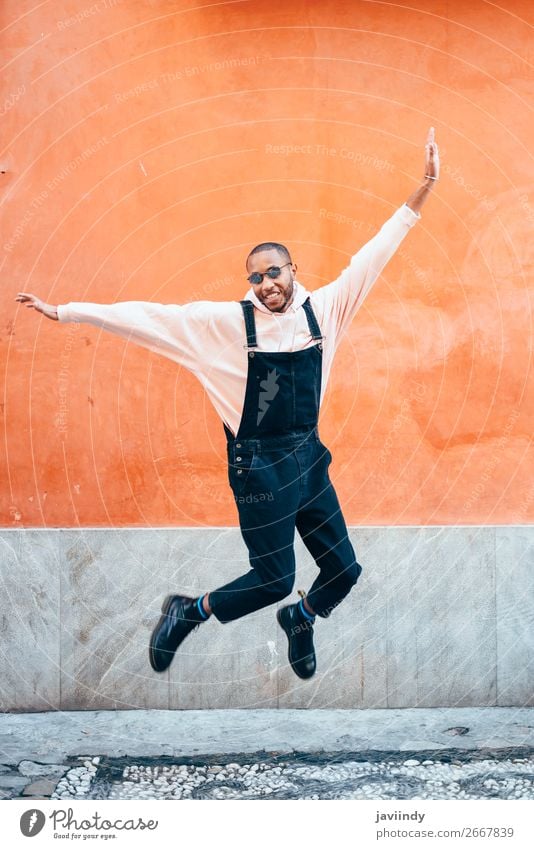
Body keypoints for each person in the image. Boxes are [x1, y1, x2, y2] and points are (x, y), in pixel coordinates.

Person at [15, 127, 439, 680]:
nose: (266, 284)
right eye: (256, 277)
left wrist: (426, 185)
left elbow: (377, 252)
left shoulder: (326, 311)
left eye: (275, 272)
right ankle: (189, 610)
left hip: (308, 459)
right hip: (258, 465)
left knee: (344, 570)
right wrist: (66, 311)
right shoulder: (222, 325)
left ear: (294, 271)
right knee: (272, 578)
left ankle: (302, 618)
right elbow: (149, 317)